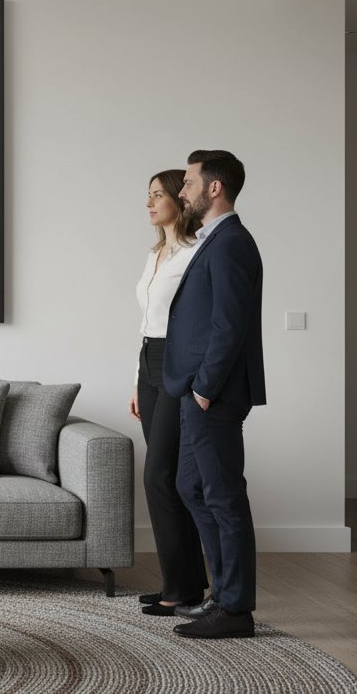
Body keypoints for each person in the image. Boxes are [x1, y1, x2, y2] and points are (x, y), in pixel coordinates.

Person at [163, 149, 266, 639]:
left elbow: (229, 324)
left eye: (188, 182)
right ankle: (221, 595)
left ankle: (235, 609)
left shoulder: (230, 244)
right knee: (192, 487)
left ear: (214, 188)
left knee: (224, 497)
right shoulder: (215, 241)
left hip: (213, 394)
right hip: (196, 391)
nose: (182, 191)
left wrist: (204, 387)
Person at [129, 169, 209, 617]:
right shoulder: (157, 253)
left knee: (160, 477)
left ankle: (180, 588)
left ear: (180, 200)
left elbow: (196, 324)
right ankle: (188, 580)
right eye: (148, 196)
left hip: (180, 367)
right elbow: (147, 324)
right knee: (171, 480)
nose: (149, 203)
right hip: (149, 363)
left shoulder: (197, 254)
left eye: (158, 195)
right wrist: (136, 379)